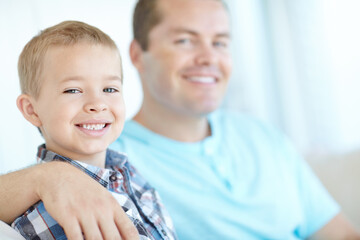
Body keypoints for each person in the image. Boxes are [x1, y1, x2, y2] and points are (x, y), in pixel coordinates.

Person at [0, 0, 359, 239]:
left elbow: (340, 233)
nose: (208, 57)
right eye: (186, 41)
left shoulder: (263, 136)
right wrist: (49, 175)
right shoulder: (98, 153)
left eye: (219, 42)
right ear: (139, 55)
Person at [9, 20, 176, 240]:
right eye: (73, 90)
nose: (98, 103)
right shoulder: (53, 212)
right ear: (32, 110)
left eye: (109, 88)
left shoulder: (128, 172)